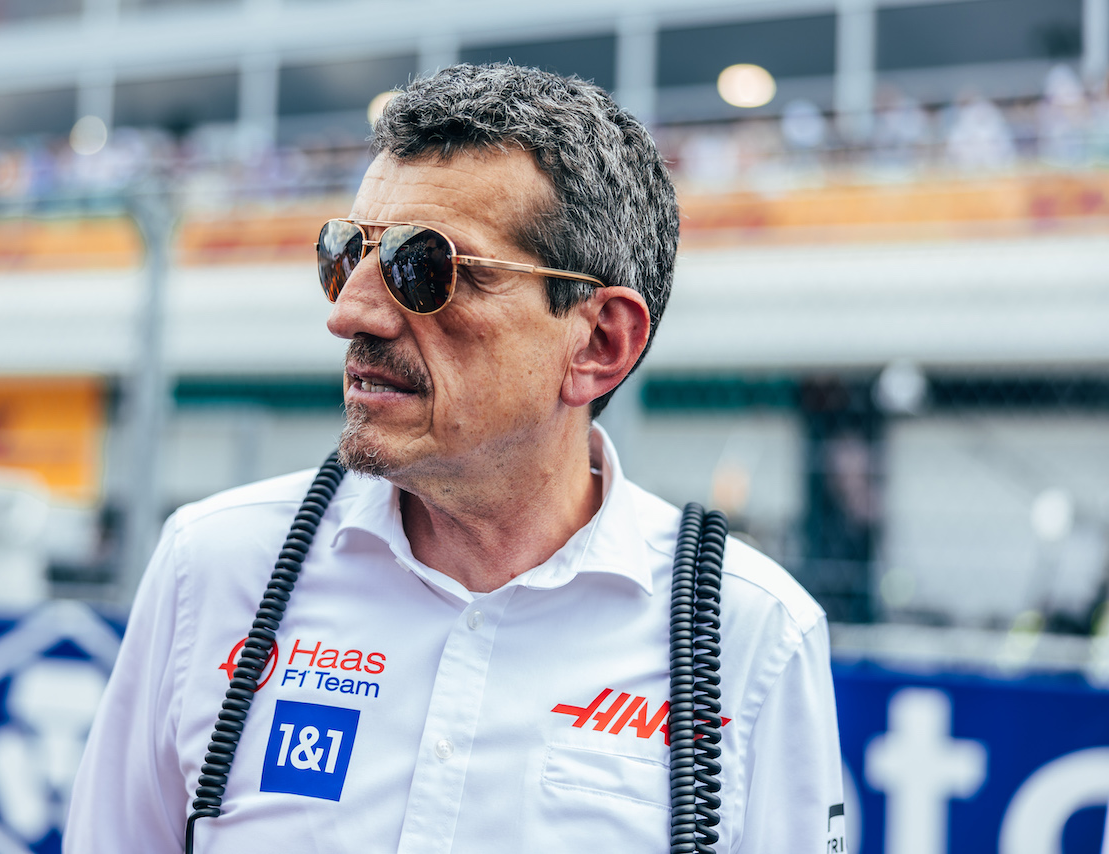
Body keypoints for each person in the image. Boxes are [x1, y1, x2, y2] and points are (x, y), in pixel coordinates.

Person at [65, 63, 845, 853]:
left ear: (600, 343)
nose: (350, 312)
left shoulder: (748, 633)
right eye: (345, 253)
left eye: (424, 267)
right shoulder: (215, 565)